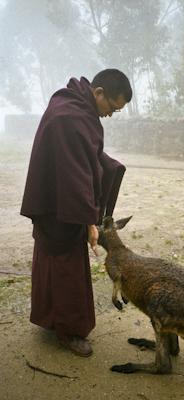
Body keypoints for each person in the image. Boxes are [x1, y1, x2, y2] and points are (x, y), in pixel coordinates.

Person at [20, 69, 132, 357]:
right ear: (98, 93)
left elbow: (84, 157)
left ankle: (49, 318)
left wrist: (109, 167)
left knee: (49, 261)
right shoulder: (70, 117)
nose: (110, 115)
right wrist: (88, 219)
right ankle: (69, 331)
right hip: (62, 206)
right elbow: (75, 173)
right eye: (111, 108)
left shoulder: (70, 107)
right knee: (66, 267)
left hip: (54, 200)